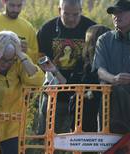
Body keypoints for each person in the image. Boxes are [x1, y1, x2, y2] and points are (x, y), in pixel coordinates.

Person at [37, 0, 96, 136]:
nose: (71, 19)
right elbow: (39, 57)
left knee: (77, 140)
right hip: (53, 94)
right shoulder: (47, 29)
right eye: (66, 14)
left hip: (82, 96)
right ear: (59, 10)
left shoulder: (90, 28)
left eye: (75, 14)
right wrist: (50, 71)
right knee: (47, 138)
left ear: (81, 10)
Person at [93, 0, 130, 134]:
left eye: (121, 12)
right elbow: (100, 70)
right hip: (110, 106)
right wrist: (114, 78)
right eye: (114, 13)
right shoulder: (104, 39)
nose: (116, 16)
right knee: (109, 148)